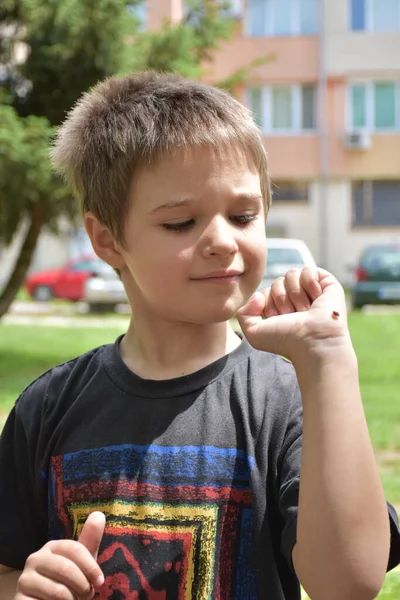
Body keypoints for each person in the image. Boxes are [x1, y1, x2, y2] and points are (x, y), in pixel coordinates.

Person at [0, 72, 399, 600]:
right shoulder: (47, 408)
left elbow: (349, 583)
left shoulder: (290, 398)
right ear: (107, 239)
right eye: (181, 222)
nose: (221, 242)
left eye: (242, 215)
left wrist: (328, 362)